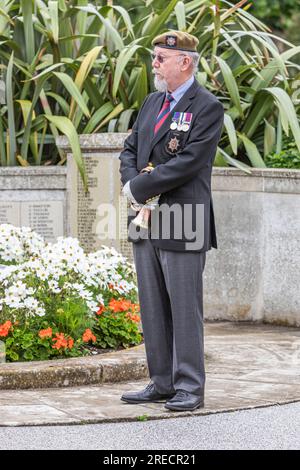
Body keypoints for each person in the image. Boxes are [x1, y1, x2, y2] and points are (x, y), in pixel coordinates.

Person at [118, 30, 224, 411]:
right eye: (154, 57)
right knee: (153, 305)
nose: (155, 64)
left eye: (161, 58)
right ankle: (161, 382)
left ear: (186, 62)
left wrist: (139, 187)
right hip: (146, 219)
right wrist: (132, 186)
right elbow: (130, 149)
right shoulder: (151, 102)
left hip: (184, 217)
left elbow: (189, 161)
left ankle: (190, 388)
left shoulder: (207, 106)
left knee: (183, 307)